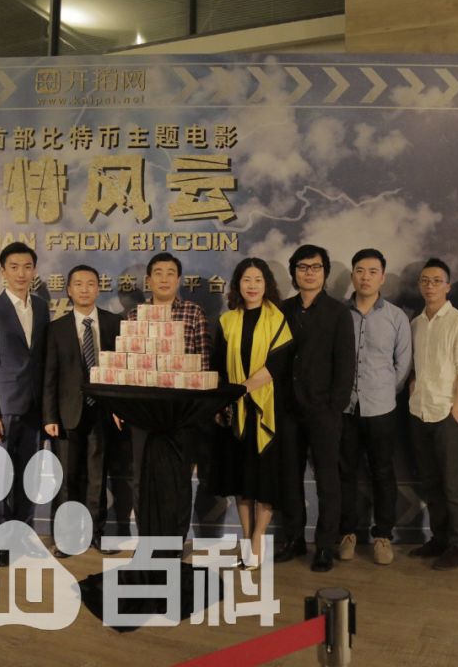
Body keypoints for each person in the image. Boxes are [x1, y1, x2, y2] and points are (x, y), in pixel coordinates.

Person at [275, 244, 355, 573]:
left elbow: (345, 365)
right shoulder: (281, 310)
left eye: (316, 267)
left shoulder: (338, 313)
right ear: (294, 272)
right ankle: (294, 538)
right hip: (287, 409)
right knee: (289, 477)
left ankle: (324, 545)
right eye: (303, 267)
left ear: (325, 272)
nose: (309, 272)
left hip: (324, 410)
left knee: (327, 480)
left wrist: (334, 406)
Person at [213, 258, 293, 569]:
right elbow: (219, 367)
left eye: (258, 279)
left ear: (266, 284)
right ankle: (246, 538)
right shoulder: (227, 321)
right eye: (246, 279)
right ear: (238, 284)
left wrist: (242, 389)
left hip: (266, 411)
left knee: (265, 480)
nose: (252, 285)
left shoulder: (278, 320)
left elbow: (276, 366)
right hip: (234, 413)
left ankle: (258, 538)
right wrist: (222, 402)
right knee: (241, 479)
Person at [124, 252, 213, 527]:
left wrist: (198, 412)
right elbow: (127, 365)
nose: (164, 279)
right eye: (158, 273)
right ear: (148, 280)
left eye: (170, 273)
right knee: (141, 477)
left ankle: (175, 540)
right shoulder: (134, 315)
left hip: (181, 412)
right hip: (142, 411)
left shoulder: (193, 313)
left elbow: (203, 364)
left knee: (180, 477)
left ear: (179, 279)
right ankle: (146, 538)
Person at [0, 241, 50, 564]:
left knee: (28, 477)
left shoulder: (42, 307)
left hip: (34, 407)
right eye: (14, 267)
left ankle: (24, 535)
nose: (21, 273)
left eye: (27, 267)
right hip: (2, 409)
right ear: (3, 272)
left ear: (34, 271)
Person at [337, 249, 412, 566]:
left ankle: (383, 536)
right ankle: (347, 533)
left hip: (381, 408)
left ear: (382, 277)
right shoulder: (339, 314)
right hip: (345, 408)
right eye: (359, 270)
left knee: (383, 472)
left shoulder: (396, 317)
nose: (365, 277)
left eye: (372, 271)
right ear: (352, 275)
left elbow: (403, 366)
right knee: (345, 473)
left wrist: (382, 391)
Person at [43, 264, 122, 556]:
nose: (85, 289)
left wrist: (120, 407)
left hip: (103, 412)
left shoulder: (114, 323)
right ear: (69, 290)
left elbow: (121, 371)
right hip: (67, 414)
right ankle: (66, 538)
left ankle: (96, 534)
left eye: (90, 283)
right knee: (67, 479)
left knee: (97, 478)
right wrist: (49, 416)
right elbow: (49, 375)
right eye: (78, 284)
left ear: (98, 288)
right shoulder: (56, 328)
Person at [407, 258, 458, 571]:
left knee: (453, 485)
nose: (430, 286)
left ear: (447, 286)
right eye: (425, 281)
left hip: (448, 413)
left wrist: (456, 411)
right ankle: (439, 538)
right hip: (419, 411)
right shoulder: (416, 323)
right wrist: (413, 392)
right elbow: (414, 367)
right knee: (431, 482)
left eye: (436, 281)